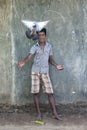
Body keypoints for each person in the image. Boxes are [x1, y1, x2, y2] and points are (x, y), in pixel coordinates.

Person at [18, 28, 64, 120]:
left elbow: (50, 59)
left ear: (45, 36)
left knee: (50, 93)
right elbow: (29, 56)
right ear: (38, 36)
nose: (41, 37)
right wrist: (23, 62)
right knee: (35, 93)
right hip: (35, 72)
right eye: (39, 35)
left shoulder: (49, 46)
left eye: (43, 35)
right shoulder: (35, 46)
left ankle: (55, 113)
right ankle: (38, 114)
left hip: (45, 72)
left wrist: (56, 65)